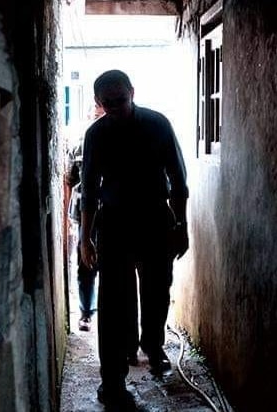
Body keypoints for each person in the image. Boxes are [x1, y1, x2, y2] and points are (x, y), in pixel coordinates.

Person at [80, 69, 189, 408]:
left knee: (157, 290)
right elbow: (89, 191)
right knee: (114, 302)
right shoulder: (96, 135)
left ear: (133, 93)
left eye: (121, 100)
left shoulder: (157, 125)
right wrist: (85, 237)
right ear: (99, 102)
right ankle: (113, 381)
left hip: (155, 220)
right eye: (108, 103)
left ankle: (152, 346)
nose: (115, 107)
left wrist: (182, 226)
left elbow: (178, 179)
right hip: (113, 225)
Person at [66, 102, 104, 332]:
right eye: (96, 115)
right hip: (86, 214)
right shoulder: (81, 144)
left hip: (113, 212)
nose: (100, 119)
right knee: (85, 263)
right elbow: (71, 180)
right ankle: (86, 313)